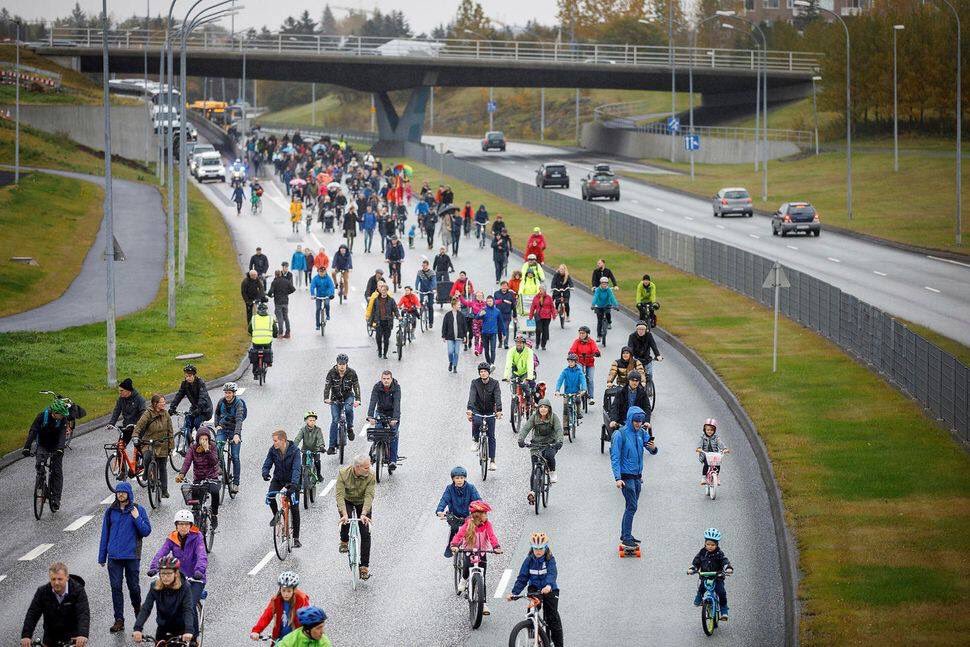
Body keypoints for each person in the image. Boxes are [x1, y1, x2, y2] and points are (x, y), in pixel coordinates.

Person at [98, 481, 152, 634]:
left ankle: (137, 610)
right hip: (114, 557)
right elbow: (105, 535)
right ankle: (119, 619)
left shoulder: (138, 510)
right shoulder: (110, 512)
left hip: (132, 556)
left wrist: (136, 518)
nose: (120, 494)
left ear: (129, 494)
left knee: (133, 587)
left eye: (123, 492)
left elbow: (146, 531)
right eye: (118, 492)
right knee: (116, 588)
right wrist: (102, 556)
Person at [148, 510, 207, 635]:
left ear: (191, 525)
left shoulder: (197, 537)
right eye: (180, 524)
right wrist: (154, 567)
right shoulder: (172, 538)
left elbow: (202, 555)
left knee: (189, 606)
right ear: (176, 525)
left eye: (186, 524)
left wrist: (199, 571)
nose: (183, 527)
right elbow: (161, 553)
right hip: (179, 578)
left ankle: (193, 637)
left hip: (196, 578)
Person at [609, 407, 657, 549]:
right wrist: (618, 478)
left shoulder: (641, 433)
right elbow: (615, 458)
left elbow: (651, 449)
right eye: (636, 421)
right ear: (630, 419)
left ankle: (626, 534)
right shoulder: (620, 434)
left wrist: (653, 448)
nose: (638, 423)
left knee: (631, 507)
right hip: (626, 477)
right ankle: (627, 538)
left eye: (640, 421)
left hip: (637, 477)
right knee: (632, 506)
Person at [506, 533, 563, 647]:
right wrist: (514, 593)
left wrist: (548, 586)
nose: (538, 551)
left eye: (541, 548)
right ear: (532, 548)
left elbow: (552, 573)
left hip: (550, 588)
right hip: (535, 588)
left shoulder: (550, 559)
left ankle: (558, 644)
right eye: (535, 548)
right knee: (532, 608)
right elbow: (522, 578)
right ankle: (533, 635)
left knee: (552, 618)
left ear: (545, 547)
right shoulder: (528, 560)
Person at [449, 500, 503, 614]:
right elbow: (459, 535)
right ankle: (463, 580)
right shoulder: (468, 524)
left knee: (482, 578)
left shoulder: (487, 524)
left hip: (481, 552)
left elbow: (492, 536)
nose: (486, 516)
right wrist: (454, 545)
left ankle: (483, 604)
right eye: (484, 514)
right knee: (467, 568)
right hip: (469, 550)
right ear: (477, 515)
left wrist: (496, 547)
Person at [20, 562, 90, 647]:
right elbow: (32, 614)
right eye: (53, 579)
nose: (56, 583)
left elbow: (83, 613)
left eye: (60, 579)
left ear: (67, 577)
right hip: (51, 638)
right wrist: (26, 635)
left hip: (72, 638)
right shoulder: (43, 592)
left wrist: (82, 634)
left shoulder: (78, 591)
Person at [22, 396, 73, 512]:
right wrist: (27, 447)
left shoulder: (63, 419)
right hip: (43, 444)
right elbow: (33, 431)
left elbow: (62, 435)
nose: (63, 417)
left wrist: (60, 449)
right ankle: (41, 484)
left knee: (57, 471)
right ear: (54, 413)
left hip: (56, 447)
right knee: (39, 465)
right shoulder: (41, 417)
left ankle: (55, 499)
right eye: (61, 415)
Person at [131, 556, 194, 646]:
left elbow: (187, 609)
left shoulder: (185, 587)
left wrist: (188, 631)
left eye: (168, 574)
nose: (165, 577)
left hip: (180, 629)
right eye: (162, 574)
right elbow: (146, 608)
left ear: (176, 573)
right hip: (163, 627)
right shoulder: (155, 586)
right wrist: (137, 628)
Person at [336, 454, 377, 580]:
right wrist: (344, 514)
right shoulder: (343, 474)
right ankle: (344, 540)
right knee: (345, 520)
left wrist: (364, 513)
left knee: (365, 533)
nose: (369, 469)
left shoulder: (370, 475)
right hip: (347, 500)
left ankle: (364, 567)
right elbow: (339, 496)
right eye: (366, 468)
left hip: (362, 502)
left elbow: (369, 495)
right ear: (357, 467)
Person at [517, 398, 564, 502]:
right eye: (541, 407)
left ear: (549, 409)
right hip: (536, 444)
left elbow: (558, 430)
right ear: (538, 409)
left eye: (545, 407)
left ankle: (552, 471)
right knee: (534, 467)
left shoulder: (553, 417)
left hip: (550, 443)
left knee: (549, 456)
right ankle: (532, 491)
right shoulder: (534, 417)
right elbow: (525, 428)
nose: (543, 409)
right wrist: (521, 440)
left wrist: (559, 441)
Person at [263, 429, 303, 548]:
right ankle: (277, 517)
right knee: (270, 496)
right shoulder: (273, 450)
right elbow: (267, 462)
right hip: (278, 479)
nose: (274, 443)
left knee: (295, 508)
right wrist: (265, 472)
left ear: (283, 440)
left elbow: (296, 469)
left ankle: (296, 538)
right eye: (274, 441)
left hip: (292, 481)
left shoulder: (295, 451)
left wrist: (294, 484)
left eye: (276, 441)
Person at [175, 426, 221, 526]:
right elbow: (187, 462)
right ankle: (196, 521)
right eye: (201, 439)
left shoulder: (212, 446)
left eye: (206, 439)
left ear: (209, 439)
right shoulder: (193, 448)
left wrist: (207, 450)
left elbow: (214, 461)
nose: (203, 441)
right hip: (199, 478)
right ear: (198, 439)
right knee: (195, 502)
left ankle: (214, 514)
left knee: (215, 492)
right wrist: (182, 474)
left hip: (211, 478)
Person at [134, 393, 175, 498]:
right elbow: (139, 425)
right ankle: (146, 471)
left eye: (164, 401)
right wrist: (135, 436)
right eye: (161, 402)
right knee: (147, 456)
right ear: (155, 403)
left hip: (163, 443)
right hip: (149, 442)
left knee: (162, 467)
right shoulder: (148, 413)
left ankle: (164, 490)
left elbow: (170, 431)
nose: (164, 404)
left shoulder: (166, 414)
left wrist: (171, 446)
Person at [436, 466, 482, 557]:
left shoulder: (471, 488)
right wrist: (439, 510)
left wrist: (480, 509)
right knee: (454, 529)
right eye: (457, 478)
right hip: (454, 515)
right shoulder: (449, 488)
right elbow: (444, 500)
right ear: (453, 479)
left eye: (462, 478)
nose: (459, 480)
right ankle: (450, 546)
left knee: (471, 531)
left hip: (467, 515)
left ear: (465, 478)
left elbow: (478, 500)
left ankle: (472, 550)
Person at [250, 571, 310, 641]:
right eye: (283, 590)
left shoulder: (301, 599)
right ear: (280, 589)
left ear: (294, 590)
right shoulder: (276, 600)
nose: (285, 594)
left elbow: (309, 617)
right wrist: (256, 630)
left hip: (296, 637)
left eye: (289, 591)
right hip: (280, 637)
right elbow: (267, 615)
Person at [689, 528, 734, 621]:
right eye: (708, 544)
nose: (710, 546)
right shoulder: (702, 553)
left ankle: (724, 611)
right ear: (705, 544)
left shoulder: (719, 553)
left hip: (717, 577)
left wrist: (728, 568)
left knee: (721, 592)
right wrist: (693, 568)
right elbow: (696, 562)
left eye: (712, 545)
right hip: (705, 576)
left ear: (716, 545)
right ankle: (699, 597)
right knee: (701, 588)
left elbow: (724, 561)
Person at [168, 364, 213, 453]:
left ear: (194, 375)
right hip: (194, 408)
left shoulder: (200, 383)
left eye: (189, 376)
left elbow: (202, 398)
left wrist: (198, 410)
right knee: (186, 426)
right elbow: (179, 395)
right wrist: (172, 407)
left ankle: (204, 446)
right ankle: (191, 448)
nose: (187, 378)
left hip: (205, 409)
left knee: (196, 422)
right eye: (186, 376)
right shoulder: (185, 384)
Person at [467, 362, 503, 470]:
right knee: (476, 421)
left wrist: (499, 410)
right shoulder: (475, 383)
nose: (482, 373)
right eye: (481, 372)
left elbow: (498, 397)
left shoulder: (495, 383)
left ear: (488, 373)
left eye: (485, 371)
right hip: (477, 409)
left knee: (491, 435)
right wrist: (469, 409)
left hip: (490, 411)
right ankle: (475, 439)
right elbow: (472, 396)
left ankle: (492, 460)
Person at [324, 354, 361, 452]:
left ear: (346, 364)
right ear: (337, 364)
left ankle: (349, 428)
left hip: (348, 396)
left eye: (343, 364)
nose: (342, 366)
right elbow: (327, 386)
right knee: (335, 420)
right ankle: (331, 446)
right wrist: (326, 398)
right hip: (335, 398)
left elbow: (356, 386)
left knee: (348, 409)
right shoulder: (331, 373)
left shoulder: (352, 373)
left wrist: (358, 399)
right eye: (340, 364)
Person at [213, 383, 246, 494]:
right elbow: (217, 413)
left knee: (235, 457)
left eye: (229, 393)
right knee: (218, 445)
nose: (227, 395)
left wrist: (237, 434)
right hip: (223, 428)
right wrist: (217, 424)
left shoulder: (239, 404)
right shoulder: (221, 401)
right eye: (226, 392)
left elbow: (239, 420)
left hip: (234, 431)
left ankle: (236, 483)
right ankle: (220, 467)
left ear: (234, 393)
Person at [366, 370, 402, 470]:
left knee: (393, 434)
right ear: (381, 379)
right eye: (384, 379)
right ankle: (373, 453)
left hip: (392, 414)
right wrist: (370, 416)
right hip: (380, 412)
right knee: (378, 431)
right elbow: (373, 401)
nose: (386, 381)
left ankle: (393, 460)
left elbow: (397, 404)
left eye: (388, 379)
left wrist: (395, 419)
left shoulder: (396, 387)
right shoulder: (377, 387)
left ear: (391, 379)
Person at [109, 378, 147, 444]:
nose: (119, 392)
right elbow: (116, 411)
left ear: (128, 390)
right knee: (120, 447)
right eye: (119, 391)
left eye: (121, 391)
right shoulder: (121, 399)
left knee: (140, 448)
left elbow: (143, 413)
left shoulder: (139, 399)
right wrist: (111, 423)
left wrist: (139, 425)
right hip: (127, 427)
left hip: (137, 428)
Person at [568, 327, 600, 406]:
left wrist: (596, 353)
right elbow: (573, 349)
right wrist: (571, 353)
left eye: (583, 333)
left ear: (587, 334)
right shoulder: (577, 341)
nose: (581, 335)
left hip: (589, 363)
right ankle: (578, 392)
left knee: (590, 379)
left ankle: (591, 397)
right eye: (580, 333)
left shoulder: (591, 342)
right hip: (580, 361)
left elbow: (595, 349)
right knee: (580, 374)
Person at [696, 418, 731, 486]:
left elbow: (720, 443)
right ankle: (704, 477)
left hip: (715, 454)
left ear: (714, 431)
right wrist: (699, 448)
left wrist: (724, 449)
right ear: (705, 430)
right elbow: (700, 443)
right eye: (708, 430)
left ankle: (716, 477)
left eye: (711, 430)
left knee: (717, 465)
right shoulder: (703, 437)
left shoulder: (716, 437)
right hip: (706, 454)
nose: (709, 431)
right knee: (706, 464)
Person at [368, 283, 399, 359]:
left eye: (385, 290)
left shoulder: (391, 300)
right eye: (382, 290)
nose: (383, 292)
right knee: (378, 337)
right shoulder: (376, 300)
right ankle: (379, 351)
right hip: (379, 322)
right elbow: (373, 312)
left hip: (388, 322)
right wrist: (371, 322)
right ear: (380, 291)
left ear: (387, 291)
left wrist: (398, 316)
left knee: (386, 339)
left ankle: (385, 354)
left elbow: (395, 309)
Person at [249, 301, 279, 377]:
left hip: (256, 340)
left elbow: (249, 329)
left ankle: (255, 373)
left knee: (255, 354)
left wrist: (253, 334)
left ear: (258, 310)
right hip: (267, 340)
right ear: (266, 310)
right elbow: (275, 329)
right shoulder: (270, 318)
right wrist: (275, 335)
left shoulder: (254, 318)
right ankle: (268, 362)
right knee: (268, 349)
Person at [555, 353, 588, 419]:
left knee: (578, 401)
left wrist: (584, 389)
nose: (570, 363)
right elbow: (560, 380)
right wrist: (557, 390)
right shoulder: (565, 371)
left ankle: (578, 413)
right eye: (569, 362)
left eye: (572, 362)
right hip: (567, 392)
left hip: (576, 391)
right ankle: (565, 427)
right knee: (565, 409)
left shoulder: (579, 371)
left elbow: (583, 380)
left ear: (575, 362)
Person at [295, 411, 326, 480]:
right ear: (306, 421)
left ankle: (318, 474)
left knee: (317, 461)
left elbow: (320, 438)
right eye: (310, 420)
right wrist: (294, 447)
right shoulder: (303, 430)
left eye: (314, 420)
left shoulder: (318, 430)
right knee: (303, 466)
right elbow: (298, 438)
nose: (312, 422)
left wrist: (321, 446)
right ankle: (300, 481)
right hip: (305, 450)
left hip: (316, 449)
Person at [441, 297, 467, 373]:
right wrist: (443, 335)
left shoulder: (461, 315)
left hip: (459, 336)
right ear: (454, 305)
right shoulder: (447, 315)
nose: (460, 306)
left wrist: (465, 336)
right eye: (458, 305)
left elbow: (464, 326)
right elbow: (444, 325)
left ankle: (455, 366)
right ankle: (451, 362)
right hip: (450, 336)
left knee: (456, 352)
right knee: (450, 351)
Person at [269, 269, 296, 339]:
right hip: (285, 302)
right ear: (281, 274)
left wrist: (271, 295)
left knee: (280, 318)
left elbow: (270, 292)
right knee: (286, 317)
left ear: (275, 275)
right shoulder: (286, 281)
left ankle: (280, 333)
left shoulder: (274, 282)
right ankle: (288, 333)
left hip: (278, 302)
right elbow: (293, 289)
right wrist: (287, 293)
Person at [592, 259, 618, 328]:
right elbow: (594, 280)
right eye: (598, 264)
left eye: (599, 263)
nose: (598, 265)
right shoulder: (596, 271)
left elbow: (612, 278)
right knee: (597, 303)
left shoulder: (608, 271)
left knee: (608, 309)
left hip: (606, 290)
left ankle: (609, 322)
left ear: (603, 263)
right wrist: (594, 287)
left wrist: (615, 285)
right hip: (598, 289)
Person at [528, 286, 556, 351]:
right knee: (539, 329)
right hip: (538, 316)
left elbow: (552, 307)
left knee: (545, 331)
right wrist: (530, 315)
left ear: (545, 290)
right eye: (540, 289)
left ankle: (543, 345)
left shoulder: (549, 298)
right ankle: (537, 343)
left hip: (547, 317)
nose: (541, 291)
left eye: (543, 290)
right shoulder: (536, 297)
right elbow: (532, 307)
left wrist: (553, 314)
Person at [479, 295, 503, 367]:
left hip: (493, 333)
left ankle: (492, 364)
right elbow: (476, 317)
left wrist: (504, 333)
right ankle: (488, 363)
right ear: (486, 302)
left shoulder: (497, 311)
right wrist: (480, 314)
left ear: (493, 302)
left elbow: (500, 323)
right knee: (486, 350)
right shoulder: (484, 309)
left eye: (490, 301)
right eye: (488, 301)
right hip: (484, 333)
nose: (489, 302)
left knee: (493, 349)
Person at [310, 266, 336, 330]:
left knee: (327, 304)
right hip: (318, 296)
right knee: (318, 309)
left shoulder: (328, 278)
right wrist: (313, 294)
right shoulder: (315, 278)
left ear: (325, 272)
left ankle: (327, 314)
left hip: (326, 295)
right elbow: (312, 286)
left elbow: (331, 287)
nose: (322, 273)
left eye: (323, 272)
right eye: (320, 272)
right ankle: (317, 325)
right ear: (318, 272)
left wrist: (331, 294)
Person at [415, 258, 437, 327]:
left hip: (430, 291)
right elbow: (417, 281)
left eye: (425, 266)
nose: (424, 267)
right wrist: (416, 289)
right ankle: (421, 310)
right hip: (422, 290)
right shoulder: (419, 272)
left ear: (428, 266)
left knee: (430, 306)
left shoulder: (432, 272)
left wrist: (433, 289)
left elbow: (434, 281)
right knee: (421, 302)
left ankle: (431, 322)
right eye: (423, 266)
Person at [493, 281, 516, 349]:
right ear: (501, 286)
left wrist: (515, 315)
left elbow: (513, 305)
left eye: (505, 286)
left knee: (506, 328)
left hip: (507, 314)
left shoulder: (510, 294)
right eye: (503, 286)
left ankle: (506, 343)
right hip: (498, 314)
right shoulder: (496, 293)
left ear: (507, 287)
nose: (504, 287)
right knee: (499, 329)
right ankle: (500, 341)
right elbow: (494, 302)